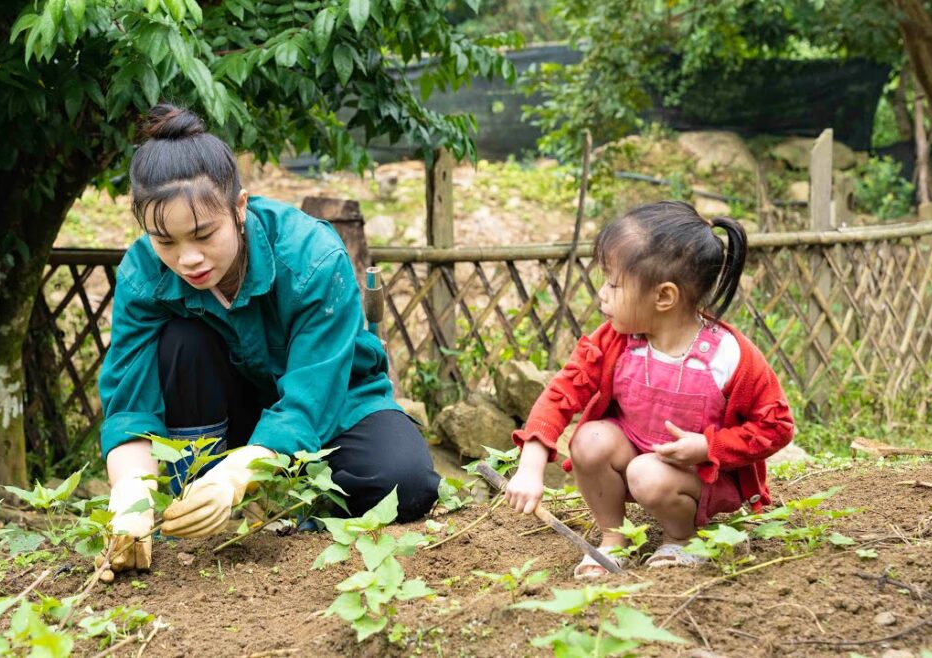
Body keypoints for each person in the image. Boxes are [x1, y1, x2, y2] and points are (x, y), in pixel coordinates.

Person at [97, 105, 439, 580]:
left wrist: (242, 475)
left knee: (407, 481)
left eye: (203, 234)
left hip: (332, 404)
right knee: (182, 338)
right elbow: (131, 407)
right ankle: (198, 502)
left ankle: (268, 503)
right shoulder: (143, 272)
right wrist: (131, 498)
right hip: (220, 415)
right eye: (165, 241)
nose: (188, 258)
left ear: (239, 208)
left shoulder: (312, 256)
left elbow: (308, 400)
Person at [504, 201, 794, 578]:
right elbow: (562, 393)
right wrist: (530, 465)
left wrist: (708, 447)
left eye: (613, 284)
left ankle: (684, 538)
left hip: (695, 477)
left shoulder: (730, 356)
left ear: (664, 297)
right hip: (634, 451)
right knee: (589, 439)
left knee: (647, 473)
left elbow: (777, 426)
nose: (602, 295)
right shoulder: (614, 340)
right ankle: (614, 538)